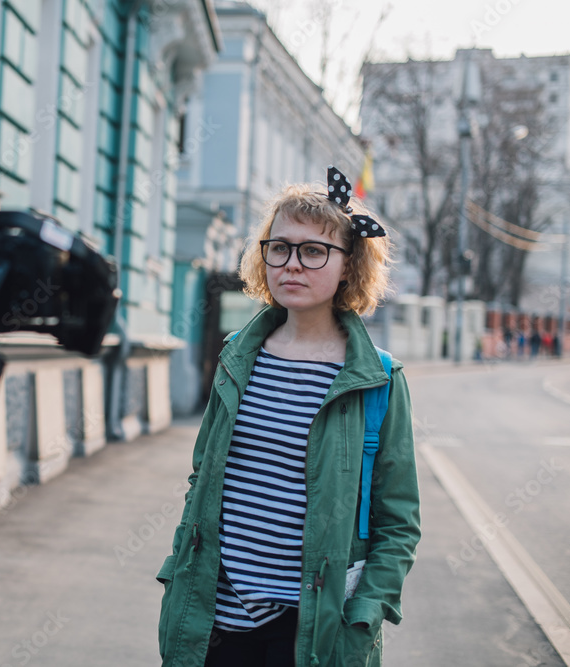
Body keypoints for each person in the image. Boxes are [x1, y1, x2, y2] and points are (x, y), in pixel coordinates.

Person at [157, 167, 421, 667]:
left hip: (312, 627)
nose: (292, 265)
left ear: (348, 265)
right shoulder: (238, 355)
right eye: (279, 248)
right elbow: (203, 477)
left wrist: (365, 610)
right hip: (216, 617)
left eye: (313, 250)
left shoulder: (378, 379)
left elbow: (399, 522)